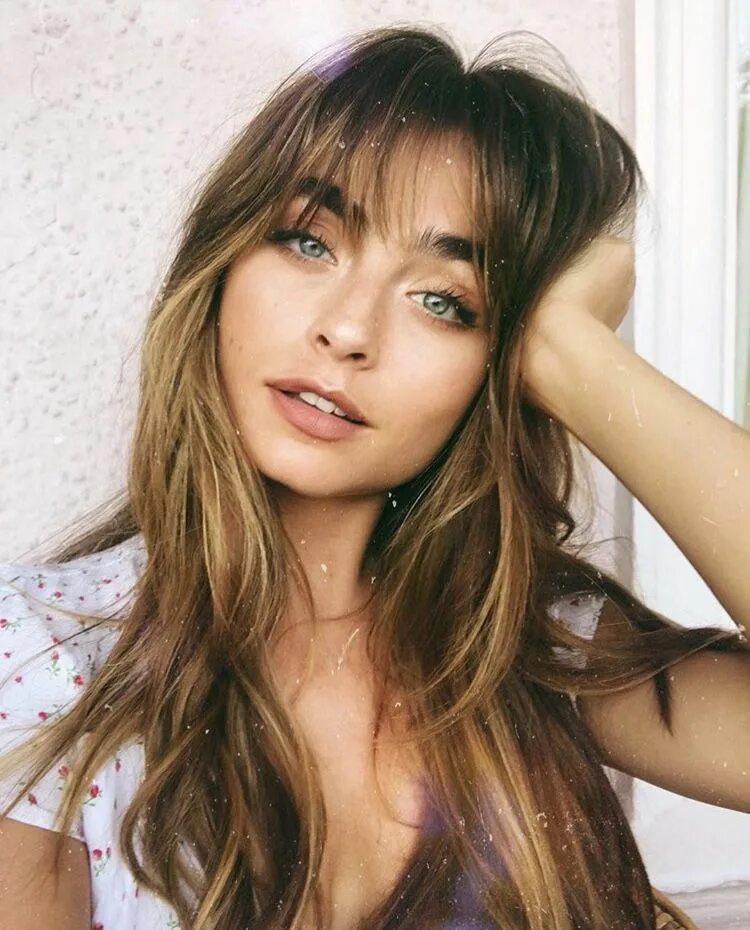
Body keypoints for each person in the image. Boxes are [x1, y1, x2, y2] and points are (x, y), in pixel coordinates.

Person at [0, 22, 748, 930]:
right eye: (309, 242)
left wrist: (571, 355)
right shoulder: (41, 663)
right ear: (222, 262)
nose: (349, 330)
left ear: (498, 366)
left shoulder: (530, 647)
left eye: (444, 301)